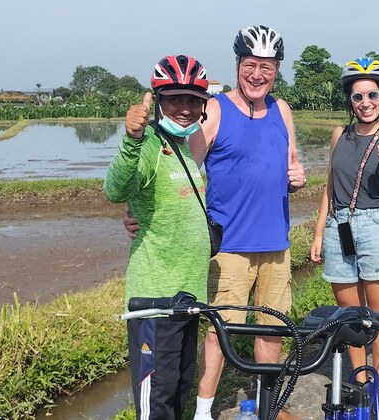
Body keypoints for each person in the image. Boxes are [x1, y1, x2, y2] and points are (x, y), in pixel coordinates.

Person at [125, 25, 305, 420]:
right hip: (229, 246)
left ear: (276, 70)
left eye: (267, 67)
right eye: (251, 65)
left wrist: (296, 179)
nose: (258, 75)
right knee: (220, 335)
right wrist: (141, 212)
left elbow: (290, 163)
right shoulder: (217, 109)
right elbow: (177, 167)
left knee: (272, 330)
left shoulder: (283, 110)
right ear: (238, 64)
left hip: (276, 241)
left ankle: (267, 405)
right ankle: (203, 412)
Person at [104, 54, 212, 420]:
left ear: (203, 105)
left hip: (187, 297)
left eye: (193, 100)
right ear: (158, 102)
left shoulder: (183, 145)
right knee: (157, 404)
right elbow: (116, 189)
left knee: (178, 391)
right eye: (175, 99)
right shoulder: (149, 144)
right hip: (156, 300)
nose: (185, 108)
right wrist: (132, 139)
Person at [310, 57, 379, 382]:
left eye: (372, 95)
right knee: (350, 318)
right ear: (349, 100)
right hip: (339, 226)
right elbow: (330, 186)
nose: (365, 103)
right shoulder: (339, 134)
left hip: (377, 226)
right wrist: (317, 232)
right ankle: (360, 382)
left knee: (378, 316)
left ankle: (377, 392)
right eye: (358, 97)